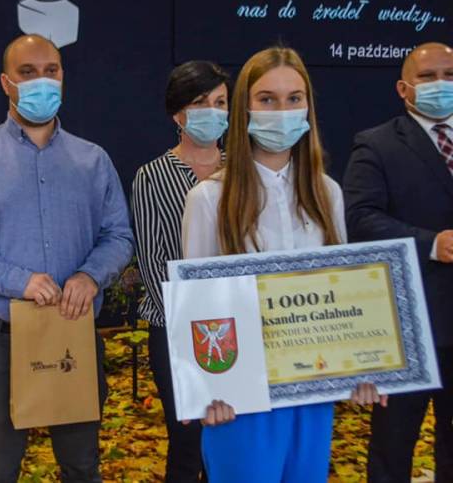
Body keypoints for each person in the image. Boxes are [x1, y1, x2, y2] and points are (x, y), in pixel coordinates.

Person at [0, 34, 134, 482]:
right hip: (1, 338)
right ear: (6, 83)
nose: (42, 81)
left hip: (73, 333)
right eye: (27, 72)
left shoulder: (93, 160)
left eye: (51, 71)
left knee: (82, 466)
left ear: (63, 78)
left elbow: (118, 236)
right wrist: (17, 280)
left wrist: (90, 276)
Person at [181, 46, 384, 483]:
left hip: (313, 391)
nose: (282, 111)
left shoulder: (327, 193)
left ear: (308, 105)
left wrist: (363, 366)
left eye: (294, 98)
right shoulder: (209, 198)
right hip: (239, 399)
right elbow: (198, 307)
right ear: (245, 109)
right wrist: (207, 389)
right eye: (267, 99)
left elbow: (343, 293)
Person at [344, 41, 453, 482]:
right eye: (428, 77)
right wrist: (431, 243)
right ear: (403, 88)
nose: (440, 84)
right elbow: (359, 219)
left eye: (449, 74)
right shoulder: (377, 144)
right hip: (408, 323)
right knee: (393, 447)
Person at [131, 60, 230, 482]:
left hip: (238, 325)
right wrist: (196, 323)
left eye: (220, 102)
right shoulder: (152, 177)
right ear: (178, 114)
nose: (213, 111)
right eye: (200, 102)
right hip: (176, 331)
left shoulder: (243, 168)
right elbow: (153, 262)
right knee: (188, 444)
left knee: (229, 442)